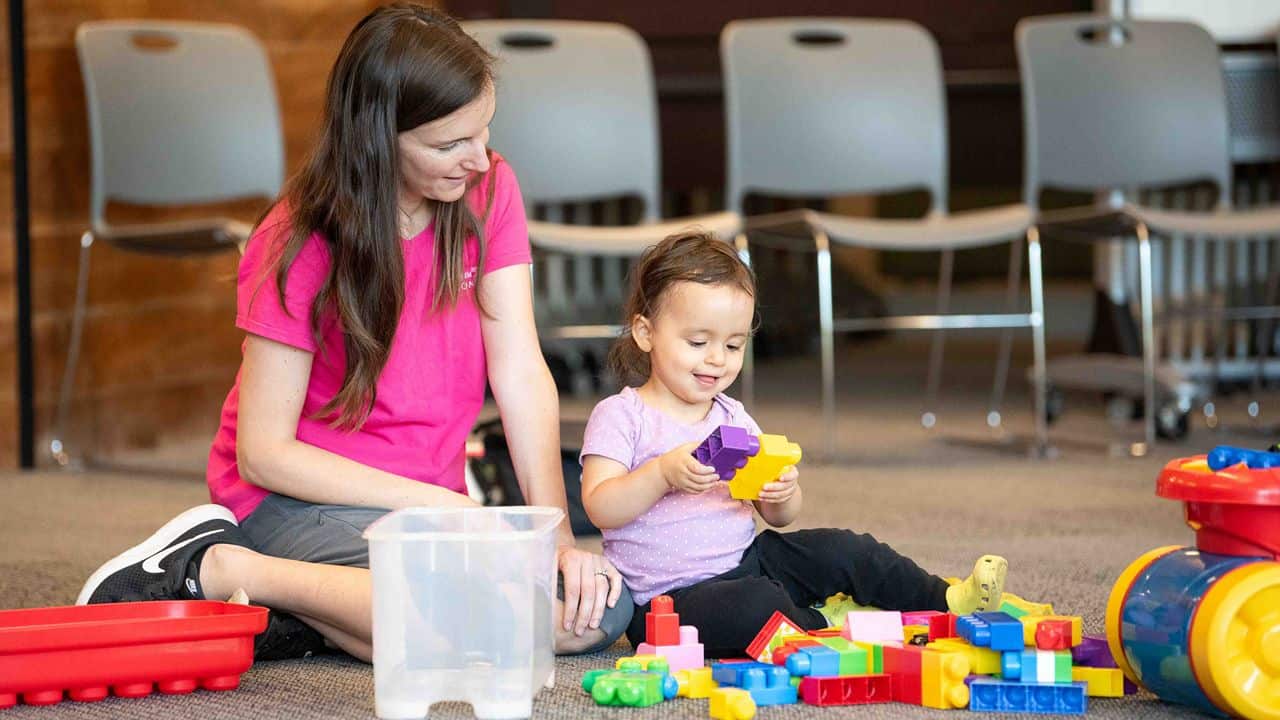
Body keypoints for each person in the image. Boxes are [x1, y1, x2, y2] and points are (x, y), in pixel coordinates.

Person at [76, 2, 630, 660]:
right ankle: (227, 568)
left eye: (484, 132)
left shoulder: (489, 190)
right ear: (378, 139)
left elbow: (519, 370)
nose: (480, 159)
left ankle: (310, 610)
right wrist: (436, 505)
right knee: (475, 615)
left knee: (602, 606)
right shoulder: (297, 240)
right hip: (294, 499)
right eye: (450, 144)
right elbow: (264, 453)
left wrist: (556, 536)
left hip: (427, 510)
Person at [578, 231, 1009, 658]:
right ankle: (825, 624)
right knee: (756, 607)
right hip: (668, 603)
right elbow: (600, 505)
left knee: (844, 548)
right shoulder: (622, 415)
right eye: (697, 342)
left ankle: (945, 600)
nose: (716, 359)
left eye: (733, 345)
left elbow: (779, 517)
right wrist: (660, 473)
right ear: (644, 333)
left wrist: (781, 493)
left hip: (750, 561)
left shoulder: (733, 416)